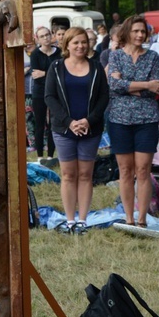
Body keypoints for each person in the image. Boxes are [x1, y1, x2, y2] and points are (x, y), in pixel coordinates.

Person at [45, 27, 109, 235]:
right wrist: (69, 122)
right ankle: (70, 219)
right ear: (67, 45)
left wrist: (88, 121)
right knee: (67, 174)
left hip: (90, 129)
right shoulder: (56, 67)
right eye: (76, 43)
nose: (80, 46)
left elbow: (103, 98)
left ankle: (83, 219)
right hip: (64, 129)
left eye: (83, 42)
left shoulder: (97, 67)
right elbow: (49, 97)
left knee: (85, 174)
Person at [107, 16, 159, 227]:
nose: (140, 35)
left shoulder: (153, 56)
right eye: (136, 31)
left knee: (143, 170)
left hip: (147, 120)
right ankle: (128, 218)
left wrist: (132, 87)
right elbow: (114, 84)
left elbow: (156, 89)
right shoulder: (116, 56)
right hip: (119, 119)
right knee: (125, 170)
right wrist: (144, 85)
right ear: (127, 32)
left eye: (143, 32)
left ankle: (142, 219)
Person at [30, 26, 60, 161]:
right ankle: (40, 155)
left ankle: (50, 155)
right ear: (37, 39)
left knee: (54, 123)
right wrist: (51, 73)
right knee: (39, 123)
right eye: (42, 36)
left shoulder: (59, 52)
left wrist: (45, 73)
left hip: (56, 91)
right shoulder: (35, 54)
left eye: (47, 34)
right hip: (39, 92)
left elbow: (61, 73)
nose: (46, 38)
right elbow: (36, 75)